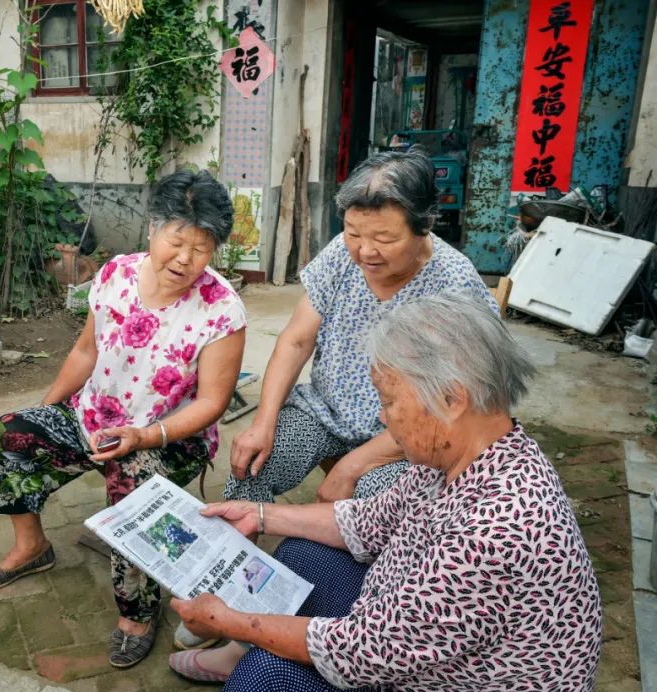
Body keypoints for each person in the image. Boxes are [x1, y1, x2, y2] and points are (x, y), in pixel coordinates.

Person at [168, 294, 602, 692]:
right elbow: (366, 522)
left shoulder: (496, 529)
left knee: (269, 679)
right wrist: (259, 514)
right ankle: (241, 657)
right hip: (423, 652)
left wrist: (229, 621)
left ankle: (243, 669)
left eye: (391, 401)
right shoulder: (462, 455)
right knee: (301, 556)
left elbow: (355, 651)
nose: (382, 417)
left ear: (452, 399)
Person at [174, 149, 499, 653]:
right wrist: (263, 421)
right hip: (325, 409)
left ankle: (324, 621)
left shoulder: (454, 288)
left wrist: (351, 465)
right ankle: (227, 592)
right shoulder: (340, 256)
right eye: (354, 232)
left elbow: (453, 410)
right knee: (252, 466)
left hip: (403, 439)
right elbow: (297, 340)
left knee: (378, 515)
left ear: (423, 228)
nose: (365, 251)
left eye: (384, 238)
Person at [0, 169, 247, 669]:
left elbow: (212, 403)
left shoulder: (221, 309)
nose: (185, 258)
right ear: (153, 229)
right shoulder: (116, 274)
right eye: (177, 240)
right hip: (95, 419)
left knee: (132, 484)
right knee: (10, 431)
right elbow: (85, 351)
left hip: (168, 437)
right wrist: (49, 407)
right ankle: (32, 546)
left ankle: (138, 611)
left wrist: (145, 435)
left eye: (202, 248)